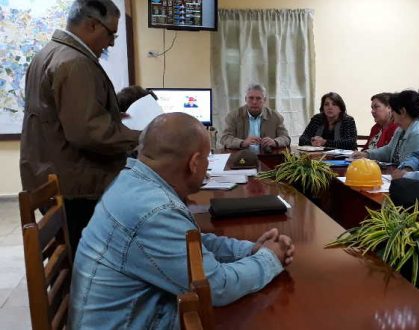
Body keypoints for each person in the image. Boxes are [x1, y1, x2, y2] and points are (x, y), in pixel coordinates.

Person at [69, 112, 295, 329]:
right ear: (194, 163)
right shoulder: (156, 210)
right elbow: (215, 287)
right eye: (207, 159)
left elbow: (191, 242)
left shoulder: (134, 181)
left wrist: (250, 249)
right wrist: (270, 257)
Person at [19, 0, 140, 255]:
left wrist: (123, 99)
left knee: (75, 260)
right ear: (91, 25)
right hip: (78, 188)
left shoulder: (50, 53)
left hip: (54, 178)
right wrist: (148, 137)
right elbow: (88, 132)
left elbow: (69, 113)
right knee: (90, 265)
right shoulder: (75, 62)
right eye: (111, 34)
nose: (112, 42)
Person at [352, 90, 419, 164]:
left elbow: (410, 167)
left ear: (402, 112)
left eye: (393, 110)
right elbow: (389, 150)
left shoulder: (418, 134)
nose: (391, 113)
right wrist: (366, 154)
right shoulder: (401, 129)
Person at [220, 83, 291, 149]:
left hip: (267, 157)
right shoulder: (233, 116)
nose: (254, 102)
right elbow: (225, 138)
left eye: (258, 98)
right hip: (241, 158)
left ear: (264, 100)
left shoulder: (275, 117)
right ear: (245, 99)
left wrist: (275, 142)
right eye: (251, 98)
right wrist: (242, 143)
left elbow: (286, 138)